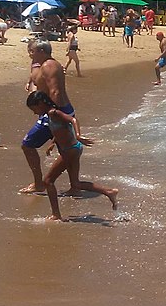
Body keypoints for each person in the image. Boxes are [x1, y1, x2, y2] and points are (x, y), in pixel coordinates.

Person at [25, 91, 118, 220]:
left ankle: (56, 214)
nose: (34, 112)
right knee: (76, 183)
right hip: (74, 149)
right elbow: (61, 130)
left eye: (34, 109)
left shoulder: (54, 113)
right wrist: (53, 143)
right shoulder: (51, 114)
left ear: (40, 104)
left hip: (70, 150)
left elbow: (73, 120)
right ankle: (108, 192)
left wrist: (78, 135)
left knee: (47, 181)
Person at [20, 40, 83, 194]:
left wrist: (54, 115)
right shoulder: (43, 64)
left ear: (42, 51)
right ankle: (75, 186)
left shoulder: (49, 65)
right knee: (65, 150)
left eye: (32, 51)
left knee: (27, 145)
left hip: (56, 111)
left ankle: (39, 184)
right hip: (56, 111)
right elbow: (36, 76)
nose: (30, 54)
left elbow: (55, 92)